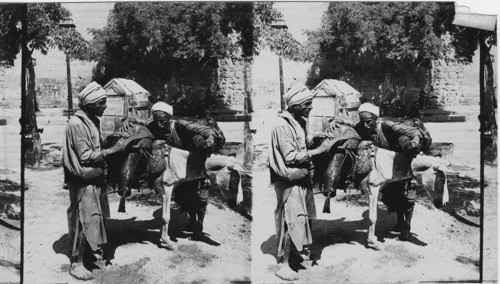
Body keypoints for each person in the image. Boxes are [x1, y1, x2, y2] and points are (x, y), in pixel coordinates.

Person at [122, 101, 223, 240]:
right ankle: (192, 222)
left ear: (169, 118)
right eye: (157, 121)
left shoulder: (180, 124)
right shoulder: (154, 124)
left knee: (200, 196)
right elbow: (144, 123)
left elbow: (207, 131)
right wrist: (130, 119)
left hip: (193, 163)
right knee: (185, 196)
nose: (159, 125)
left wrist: (210, 138)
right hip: (178, 169)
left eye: (163, 121)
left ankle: (199, 225)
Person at [63, 82, 128, 280]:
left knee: (93, 217)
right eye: (102, 103)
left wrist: (114, 136)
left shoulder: (92, 120)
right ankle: (77, 263)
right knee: (85, 220)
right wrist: (113, 150)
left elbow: (96, 143)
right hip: (82, 179)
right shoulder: (76, 124)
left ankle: (88, 252)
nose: (105, 106)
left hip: (94, 177)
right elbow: (85, 156)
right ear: (91, 104)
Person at [268, 83, 330, 281]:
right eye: (307, 104)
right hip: (288, 180)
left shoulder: (297, 121)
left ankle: (294, 254)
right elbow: (291, 156)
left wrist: (317, 140)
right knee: (290, 221)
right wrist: (318, 151)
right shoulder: (281, 125)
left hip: (300, 178)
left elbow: (300, 144)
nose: (310, 108)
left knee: (301, 218)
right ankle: (282, 264)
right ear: (295, 105)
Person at [352, 102, 431, 241]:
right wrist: (339, 121)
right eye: (363, 122)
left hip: (401, 163)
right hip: (385, 169)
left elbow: (411, 131)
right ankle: (399, 223)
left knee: (407, 196)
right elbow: (351, 128)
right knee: (392, 197)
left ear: (376, 119)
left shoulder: (386, 125)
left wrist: (416, 139)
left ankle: (407, 227)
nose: (365, 125)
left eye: (369, 122)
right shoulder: (361, 127)